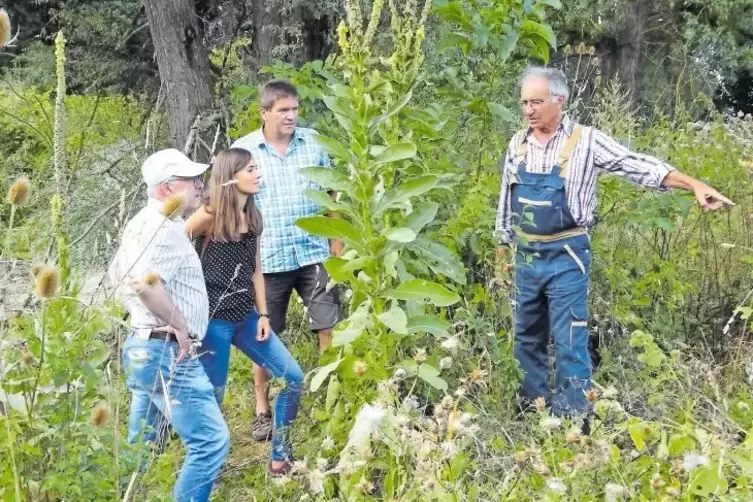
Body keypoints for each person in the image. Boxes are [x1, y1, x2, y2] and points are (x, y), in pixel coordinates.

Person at [495, 66, 733, 418]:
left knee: (569, 341)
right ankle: (530, 417)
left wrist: (694, 185)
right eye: (524, 103)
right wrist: (502, 249)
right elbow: (506, 200)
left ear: (559, 101)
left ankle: (573, 426)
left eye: (536, 102)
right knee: (526, 339)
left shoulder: (586, 140)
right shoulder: (517, 144)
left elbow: (636, 165)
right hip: (526, 259)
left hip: (567, 256)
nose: (528, 110)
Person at [108, 148, 229, 502]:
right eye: (190, 180)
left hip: (145, 345)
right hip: (165, 349)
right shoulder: (162, 228)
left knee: (140, 449)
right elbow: (143, 283)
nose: (199, 185)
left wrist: (143, 319)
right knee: (211, 442)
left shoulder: (140, 225)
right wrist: (178, 325)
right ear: (164, 189)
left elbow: (117, 278)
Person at [231, 79, 342, 441]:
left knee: (328, 324)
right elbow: (235, 209)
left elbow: (331, 196)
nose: (291, 116)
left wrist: (336, 247)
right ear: (265, 113)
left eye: (294, 109)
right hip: (269, 258)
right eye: (283, 110)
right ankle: (262, 407)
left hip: (313, 252)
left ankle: (329, 397)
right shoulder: (245, 151)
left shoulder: (314, 144)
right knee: (263, 334)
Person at [185, 148, 304, 475]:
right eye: (250, 169)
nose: (257, 174)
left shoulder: (253, 216)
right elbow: (175, 246)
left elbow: (256, 269)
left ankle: (280, 456)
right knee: (213, 397)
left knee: (294, 378)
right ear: (230, 177)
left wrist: (263, 315)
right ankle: (208, 469)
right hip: (213, 323)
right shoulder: (209, 215)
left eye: (256, 168)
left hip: (247, 317)